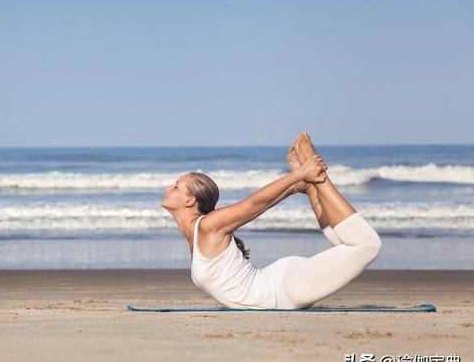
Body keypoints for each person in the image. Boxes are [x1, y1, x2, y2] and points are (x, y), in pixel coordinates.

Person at [160, 132, 382, 309]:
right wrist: (296, 185)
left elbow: (254, 204)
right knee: (348, 246)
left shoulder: (209, 225)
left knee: (367, 245)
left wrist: (300, 175)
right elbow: (261, 205)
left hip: (285, 288)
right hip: (285, 284)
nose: (168, 188)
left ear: (190, 200)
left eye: (176, 186)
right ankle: (312, 183)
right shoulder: (199, 232)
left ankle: (318, 176)